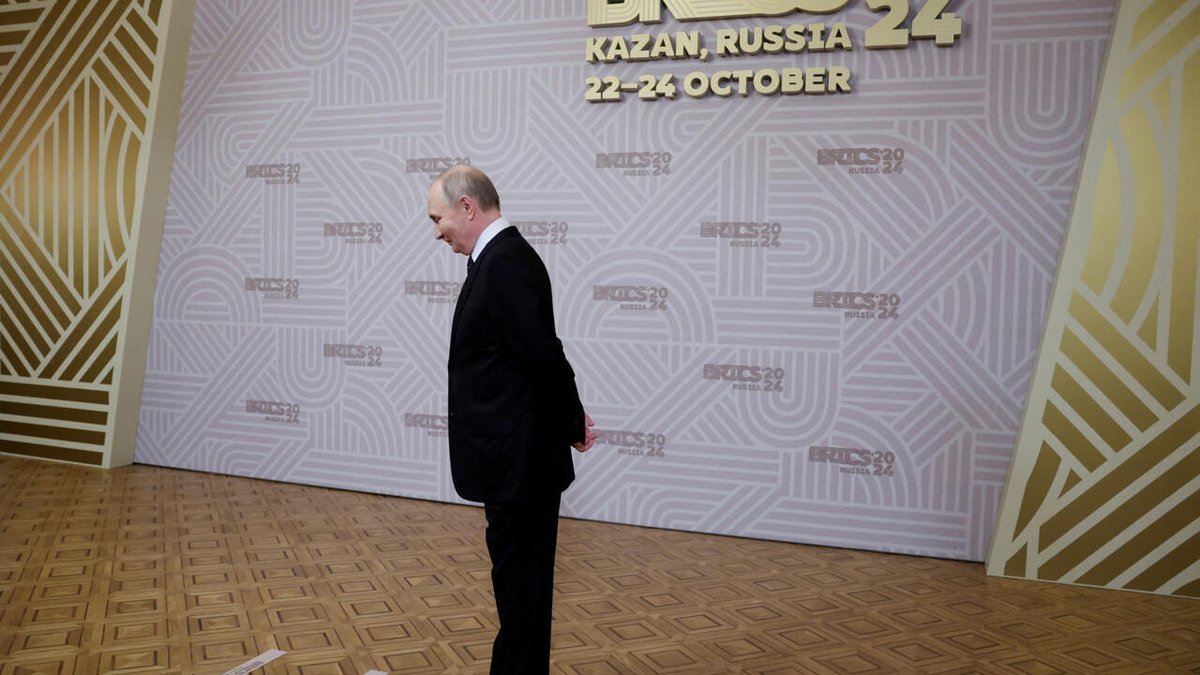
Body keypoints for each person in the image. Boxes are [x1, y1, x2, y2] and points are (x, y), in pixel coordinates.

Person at [426, 164, 597, 674]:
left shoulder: (506, 262)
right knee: (517, 589)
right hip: (511, 463)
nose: (436, 232)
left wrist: (572, 421)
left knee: (522, 592)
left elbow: (543, 354)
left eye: (437, 218)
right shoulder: (495, 259)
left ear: (467, 207)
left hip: (520, 464)